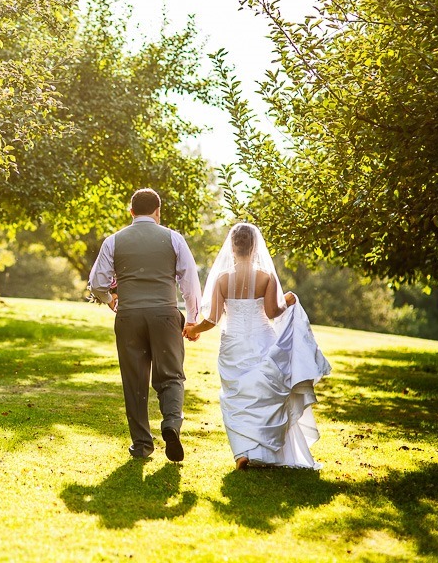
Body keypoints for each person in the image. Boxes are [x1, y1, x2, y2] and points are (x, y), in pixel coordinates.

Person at [185, 223, 331, 470]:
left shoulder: (222, 278)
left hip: (232, 343)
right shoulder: (266, 277)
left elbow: (213, 319)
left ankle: (242, 452)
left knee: (235, 398)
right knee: (264, 394)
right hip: (262, 340)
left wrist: (193, 330)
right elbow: (273, 312)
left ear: (232, 247)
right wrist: (287, 300)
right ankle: (264, 450)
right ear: (255, 247)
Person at [88, 188, 202, 462]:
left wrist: (109, 300)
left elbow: (97, 283)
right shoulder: (174, 238)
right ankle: (171, 425)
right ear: (158, 212)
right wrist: (194, 319)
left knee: (135, 381)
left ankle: (142, 445)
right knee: (171, 375)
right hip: (165, 314)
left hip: (129, 317)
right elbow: (190, 282)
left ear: (131, 212)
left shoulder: (114, 241)